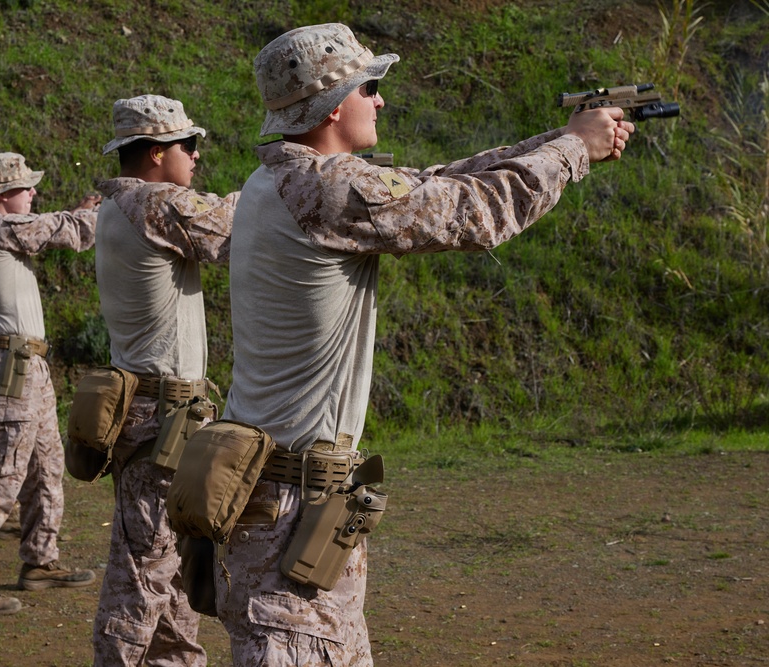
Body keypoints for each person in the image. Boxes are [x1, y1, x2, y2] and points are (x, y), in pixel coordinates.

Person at [215, 23, 635, 664]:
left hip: (291, 498)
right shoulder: (329, 189)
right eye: (370, 87)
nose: (380, 100)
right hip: (292, 509)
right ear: (334, 106)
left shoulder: (281, 180)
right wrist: (575, 151)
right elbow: (477, 211)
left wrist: (561, 139)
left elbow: (436, 179)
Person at [91, 94, 237, 666]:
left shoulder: (118, 205)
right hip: (164, 415)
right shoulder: (156, 204)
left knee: (168, 568)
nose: (197, 157)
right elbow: (245, 226)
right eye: (188, 145)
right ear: (155, 154)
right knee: (144, 572)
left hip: (158, 410)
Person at [0, 152, 101, 615]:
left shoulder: (1, 231)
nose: (33, 193)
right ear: (4, 194)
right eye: (26, 187)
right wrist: (92, 211)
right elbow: (70, 233)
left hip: (28, 364)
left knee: (46, 465)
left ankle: (40, 561)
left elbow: (53, 225)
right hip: (12, 367)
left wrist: (83, 210)